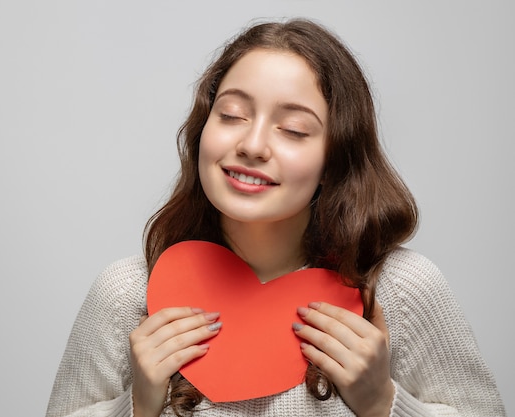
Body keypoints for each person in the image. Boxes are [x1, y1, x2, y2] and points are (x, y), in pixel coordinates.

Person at [46, 18, 506, 417]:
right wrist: (136, 406)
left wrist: (383, 403)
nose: (252, 145)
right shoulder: (126, 293)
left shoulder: (400, 292)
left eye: (293, 129)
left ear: (335, 157)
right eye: (231, 115)